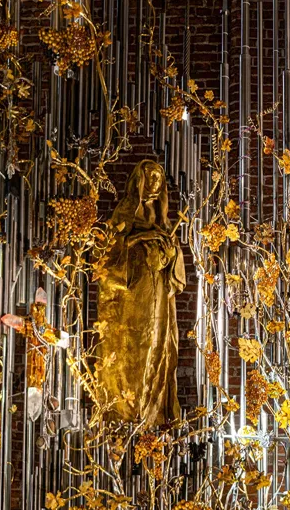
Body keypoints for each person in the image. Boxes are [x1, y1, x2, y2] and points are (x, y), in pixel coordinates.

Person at [96, 160, 186, 426]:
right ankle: (126, 411)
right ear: (139, 181)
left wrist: (170, 253)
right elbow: (108, 260)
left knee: (157, 346)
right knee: (132, 351)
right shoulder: (124, 216)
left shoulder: (162, 222)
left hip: (157, 297)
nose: (155, 184)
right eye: (151, 178)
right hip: (131, 299)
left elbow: (176, 275)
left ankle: (151, 411)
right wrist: (138, 240)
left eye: (159, 179)